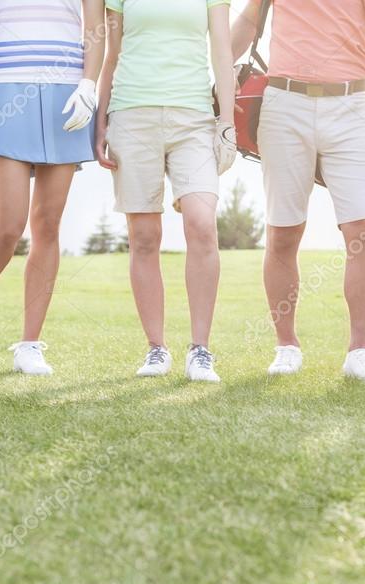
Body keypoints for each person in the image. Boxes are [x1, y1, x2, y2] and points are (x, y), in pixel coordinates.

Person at [232, 0, 365, 381]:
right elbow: (250, 20)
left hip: (350, 106)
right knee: (283, 231)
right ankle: (286, 346)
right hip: (283, 104)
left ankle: (360, 352)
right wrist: (209, 76)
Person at [0, 0, 106, 375]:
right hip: (3, 87)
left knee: (47, 225)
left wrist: (89, 84)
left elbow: (97, 25)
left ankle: (30, 345)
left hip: (66, 93)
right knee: (9, 226)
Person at [95, 0, 237, 383]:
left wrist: (227, 120)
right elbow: (112, 54)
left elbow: (222, 50)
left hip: (194, 120)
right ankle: (156, 348)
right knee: (144, 237)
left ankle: (201, 349)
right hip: (131, 115)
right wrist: (100, 121)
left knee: (202, 223)